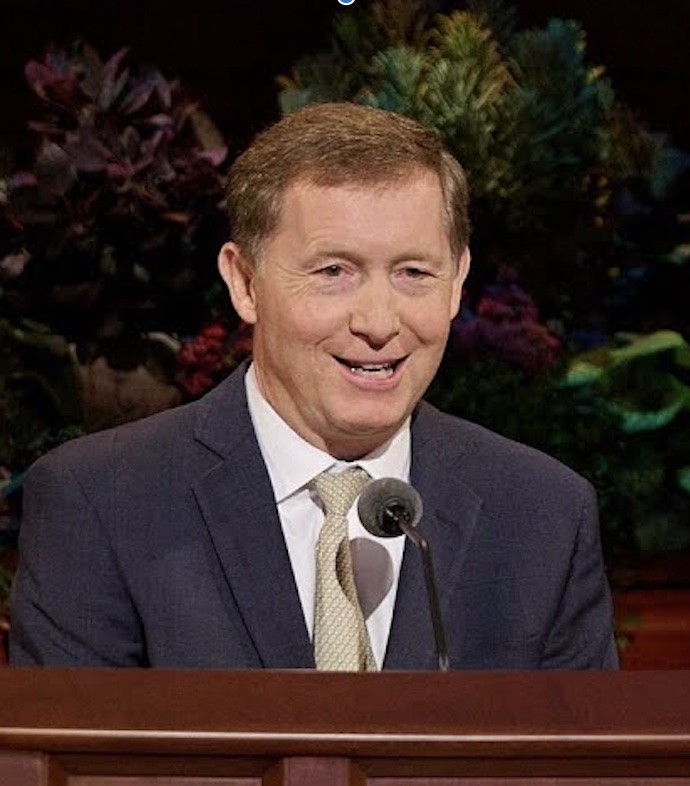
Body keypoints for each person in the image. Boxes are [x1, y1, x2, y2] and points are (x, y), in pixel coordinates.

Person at [9, 102, 618, 669]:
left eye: (414, 272)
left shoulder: (543, 516)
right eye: (333, 272)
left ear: (458, 281)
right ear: (244, 283)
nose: (378, 322)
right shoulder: (101, 503)